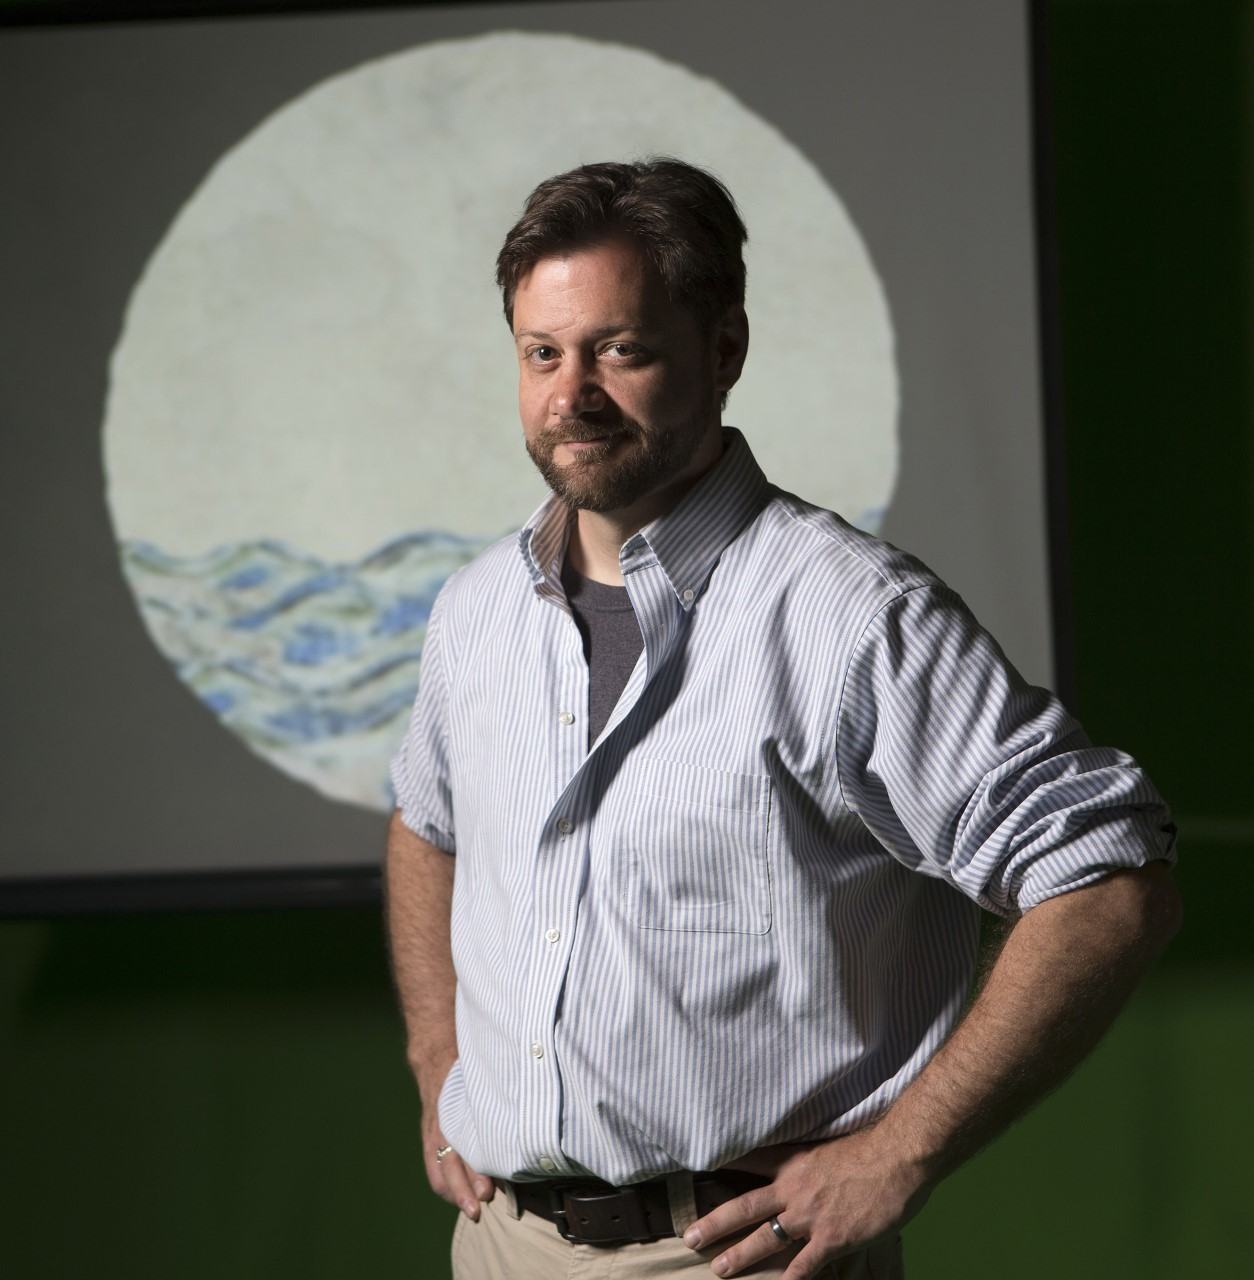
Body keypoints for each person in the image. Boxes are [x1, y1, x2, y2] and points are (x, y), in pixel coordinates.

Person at [385, 158, 1180, 1280]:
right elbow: (425, 822)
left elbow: (1109, 883)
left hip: (736, 1256)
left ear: (724, 349)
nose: (572, 396)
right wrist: (437, 1054)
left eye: (620, 349)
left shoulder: (853, 618)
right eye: (542, 354)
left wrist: (901, 1152)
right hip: (501, 1245)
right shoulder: (477, 611)